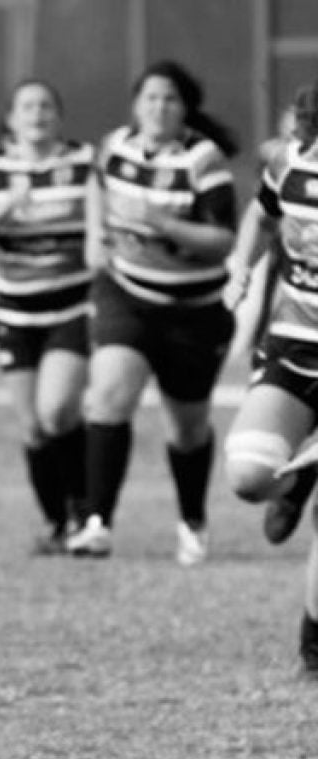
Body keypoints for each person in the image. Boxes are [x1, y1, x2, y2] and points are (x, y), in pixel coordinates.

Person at [65, 60, 239, 565]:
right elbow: (96, 182)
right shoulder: (116, 145)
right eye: (150, 98)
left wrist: (165, 224)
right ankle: (97, 522)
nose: (159, 108)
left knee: (186, 427)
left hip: (193, 312)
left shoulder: (203, 161)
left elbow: (222, 241)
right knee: (108, 395)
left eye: (170, 99)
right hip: (125, 295)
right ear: (135, 105)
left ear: (185, 109)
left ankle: (192, 522)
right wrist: (95, 236)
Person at [0, 79, 94, 554]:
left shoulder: (84, 162)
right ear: (12, 119)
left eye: (45, 106)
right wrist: (4, 210)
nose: (37, 114)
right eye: (27, 107)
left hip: (72, 307)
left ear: (59, 116)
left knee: (57, 411)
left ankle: (84, 512)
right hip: (15, 313)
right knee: (33, 427)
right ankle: (57, 523)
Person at [223, 78, 318, 675]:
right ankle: (296, 481)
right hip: (293, 345)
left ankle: (314, 644)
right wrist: (241, 264)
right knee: (249, 476)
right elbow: (261, 215)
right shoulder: (290, 163)